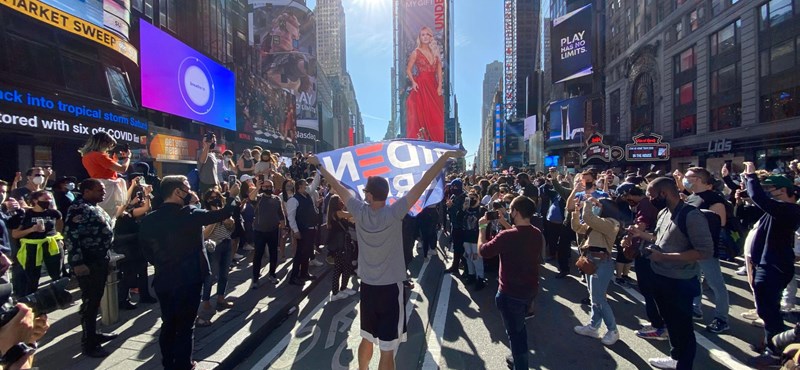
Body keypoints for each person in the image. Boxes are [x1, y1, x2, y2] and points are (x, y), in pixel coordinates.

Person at [310, 150, 463, 370]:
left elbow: (338, 187)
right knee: (387, 347)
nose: (363, 195)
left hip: (368, 286)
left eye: (365, 192)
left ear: (370, 196)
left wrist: (320, 166)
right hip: (391, 288)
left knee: (366, 337)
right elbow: (423, 182)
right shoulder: (394, 212)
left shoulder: (359, 211)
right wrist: (443, 158)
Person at [138, 175, 239, 370]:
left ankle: (168, 364)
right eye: (187, 188)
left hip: (164, 280)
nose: (190, 191)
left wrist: (161, 263)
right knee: (185, 326)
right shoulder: (190, 214)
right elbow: (223, 214)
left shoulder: (150, 219)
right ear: (177, 192)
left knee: (168, 323)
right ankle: (184, 364)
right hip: (189, 279)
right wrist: (232, 195)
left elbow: (147, 251)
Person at [628, 177, 714, 370]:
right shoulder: (664, 213)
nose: (649, 199)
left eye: (651, 195)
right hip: (660, 276)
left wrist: (665, 257)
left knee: (683, 327)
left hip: (680, 281)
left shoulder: (691, 216)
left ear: (663, 193)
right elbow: (660, 237)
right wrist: (642, 235)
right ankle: (675, 358)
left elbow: (705, 251)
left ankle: (684, 364)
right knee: (671, 323)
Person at [741, 163, 800, 366]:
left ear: (784, 191)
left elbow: (759, 198)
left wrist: (750, 177)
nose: (768, 193)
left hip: (774, 266)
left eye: (771, 189)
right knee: (767, 308)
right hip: (768, 264)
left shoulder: (789, 210)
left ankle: (775, 350)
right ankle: (771, 342)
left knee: (768, 310)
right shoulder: (778, 209)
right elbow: (754, 199)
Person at [478, 196, 542, 370]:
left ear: (516, 212)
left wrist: (482, 227)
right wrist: (503, 222)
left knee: (515, 334)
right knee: (519, 328)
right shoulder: (536, 232)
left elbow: (484, 251)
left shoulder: (507, 236)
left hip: (510, 293)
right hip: (529, 290)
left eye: (511, 209)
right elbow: (517, 234)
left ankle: (520, 364)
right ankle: (517, 357)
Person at [63, 179, 118, 358]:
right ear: (86, 191)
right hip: (88, 262)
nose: (103, 193)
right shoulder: (78, 208)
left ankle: (95, 333)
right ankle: (89, 343)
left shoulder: (93, 206)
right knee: (90, 302)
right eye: (99, 190)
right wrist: (78, 263)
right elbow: (72, 237)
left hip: (100, 259)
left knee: (96, 299)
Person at [676, 167, 731, 333]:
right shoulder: (692, 197)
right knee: (694, 280)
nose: (685, 179)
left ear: (697, 179)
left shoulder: (715, 199)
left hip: (706, 249)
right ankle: (696, 308)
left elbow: (720, 224)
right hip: (691, 247)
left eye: (688, 177)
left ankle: (722, 318)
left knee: (716, 284)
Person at [616, 183, 667, 340]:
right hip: (654, 250)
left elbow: (641, 226)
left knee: (648, 289)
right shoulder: (648, 204)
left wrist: (628, 237)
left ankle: (658, 326)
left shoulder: (644, 204)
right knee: (654, 289)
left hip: (647, 252)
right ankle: (659, 323)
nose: (626, 200)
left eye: (626, 197)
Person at [571, 197, 622, 346]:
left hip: (602, 263)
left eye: (597, 205)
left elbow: (588, 217)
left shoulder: (611, 223)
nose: (594, 207)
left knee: (600, 298)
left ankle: (612, 330)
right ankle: (593, 326)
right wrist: (576, 211)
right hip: (590, 261)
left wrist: (587, 203)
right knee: (594, 297)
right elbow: (576, 227)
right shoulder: (596, 222)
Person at [10, 190, 63, 296]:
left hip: (51, 244)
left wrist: (58, 237)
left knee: (56, 272)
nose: (48, 201)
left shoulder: (54, 213)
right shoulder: (26, 214)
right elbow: (15, 234)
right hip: (32, 246)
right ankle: (32, 297)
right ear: (35, 200)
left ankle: (59, 294)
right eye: (45, 199)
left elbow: (59, 223)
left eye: (50, 199)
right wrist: (31, 230)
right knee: (32, 274)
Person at [197, 190, 236, 325]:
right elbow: (205, 234)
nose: (215, 200)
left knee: (224, 274)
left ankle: (221, 298)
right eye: (212, 198)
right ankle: (206, 301)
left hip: (226, 243)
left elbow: (231, 227)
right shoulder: (204, 214)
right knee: (211, 275)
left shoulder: (223, 211)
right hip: (213, 247)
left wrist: (224, 216)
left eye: (217, 197)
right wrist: (215, 216)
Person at [78, 132, 131, 221]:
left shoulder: (86, 156)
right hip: (107, 187)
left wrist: (113, 160)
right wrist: (127, 158)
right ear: (103, 143)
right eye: (108, 146)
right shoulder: (99, 156)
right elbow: (122, 169)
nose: (108, 149)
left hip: (98, 184)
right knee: (109, 216)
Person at [405, 26, 444, 143]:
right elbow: (408, 70)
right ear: (420, 37)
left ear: (431, 37)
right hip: (421, 86)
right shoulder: (416, 52)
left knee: (436, 116)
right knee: (421, 114)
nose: (425, 37)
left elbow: (439, 71)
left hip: (433, 86)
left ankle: (437, 143)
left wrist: (440, 86)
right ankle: (421, 142)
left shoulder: (436, 53)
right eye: (423, 34)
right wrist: (413, 82)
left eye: (427, 34)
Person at [249, 179, 284, 289]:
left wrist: (284, 227)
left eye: (270, 186)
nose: (268, 188)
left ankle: (272, 274)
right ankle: (255, 278)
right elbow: (250, 198)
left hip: (273, 230)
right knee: (258, 255)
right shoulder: (258, 198)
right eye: (266, 186)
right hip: (259, 231)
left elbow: (281, 214)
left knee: (274, 254)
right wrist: (257, 188)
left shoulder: (277, 199)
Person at [286, 173, 321, 285]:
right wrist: (295, 231)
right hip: (302, 229)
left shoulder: (308, 195)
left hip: (311, 228)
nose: (307, 186)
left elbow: (314, 185)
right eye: (305, 185)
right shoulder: (294, 200)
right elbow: (290, 217)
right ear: (299, 187)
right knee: (300, 254)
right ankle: (294, 277)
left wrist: (319, 172)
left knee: (307, 252)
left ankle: (304, 273)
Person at [326, 194, 357, 301]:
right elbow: (350, 214)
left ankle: (343, 287)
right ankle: (335, 293)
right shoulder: (337, 213)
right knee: (338, 269)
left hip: (344, 243)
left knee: (347, 267)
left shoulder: (337, 213)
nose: (342, 202)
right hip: (340, 245)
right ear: (336, 203)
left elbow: (351, 219)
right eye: (340, 201)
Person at [458, 191, 486, 289]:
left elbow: (485, 223)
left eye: (473, 198)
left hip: (476, 237)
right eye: (470, 198)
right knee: (468, 256)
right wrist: (463, 209)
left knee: (477, 258)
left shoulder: (481, 209)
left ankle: (480, 278)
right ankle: (471, 274)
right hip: (466, 236)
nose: (472, 200)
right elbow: (458, 218)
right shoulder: (466, 209)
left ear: (478, 198)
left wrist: (484, 236)